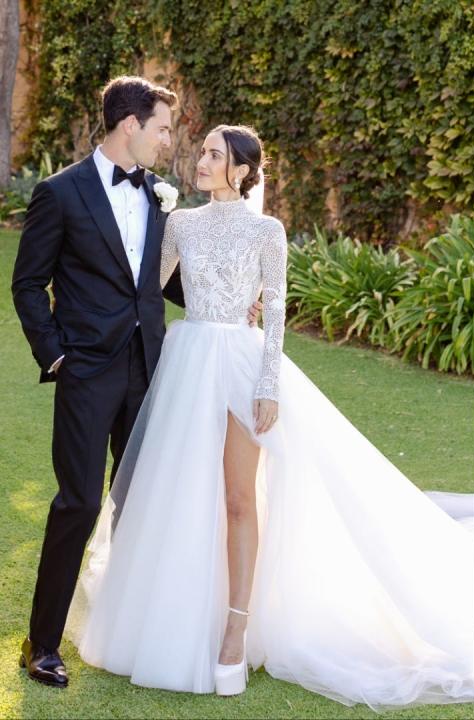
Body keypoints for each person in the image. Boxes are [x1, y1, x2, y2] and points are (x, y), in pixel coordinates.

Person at [64, 123, 474, 708]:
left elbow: (277, 311)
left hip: (240, 361)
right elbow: (148, 291)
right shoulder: (179, 222)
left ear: (240, 168)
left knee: (238, 498)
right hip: (186, 362)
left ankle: (236, 627)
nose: (200, 161)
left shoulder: (268, 230)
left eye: (213, 154)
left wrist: (267, 384)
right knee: (179, 493)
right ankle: (176, 617)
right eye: (201, 151)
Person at [10, 75, 263, 689]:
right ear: (131, 125)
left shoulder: (160, 196)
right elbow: (26, 284)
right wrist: (56, 356)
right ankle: (40, 644)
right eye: (162, 129)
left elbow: (156, 278)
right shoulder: (60, 193)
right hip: (86, 371)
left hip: (152, 372)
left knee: (143, 501)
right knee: (81, 501)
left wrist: (230, 299)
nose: (167, 141)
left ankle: (130, 627)